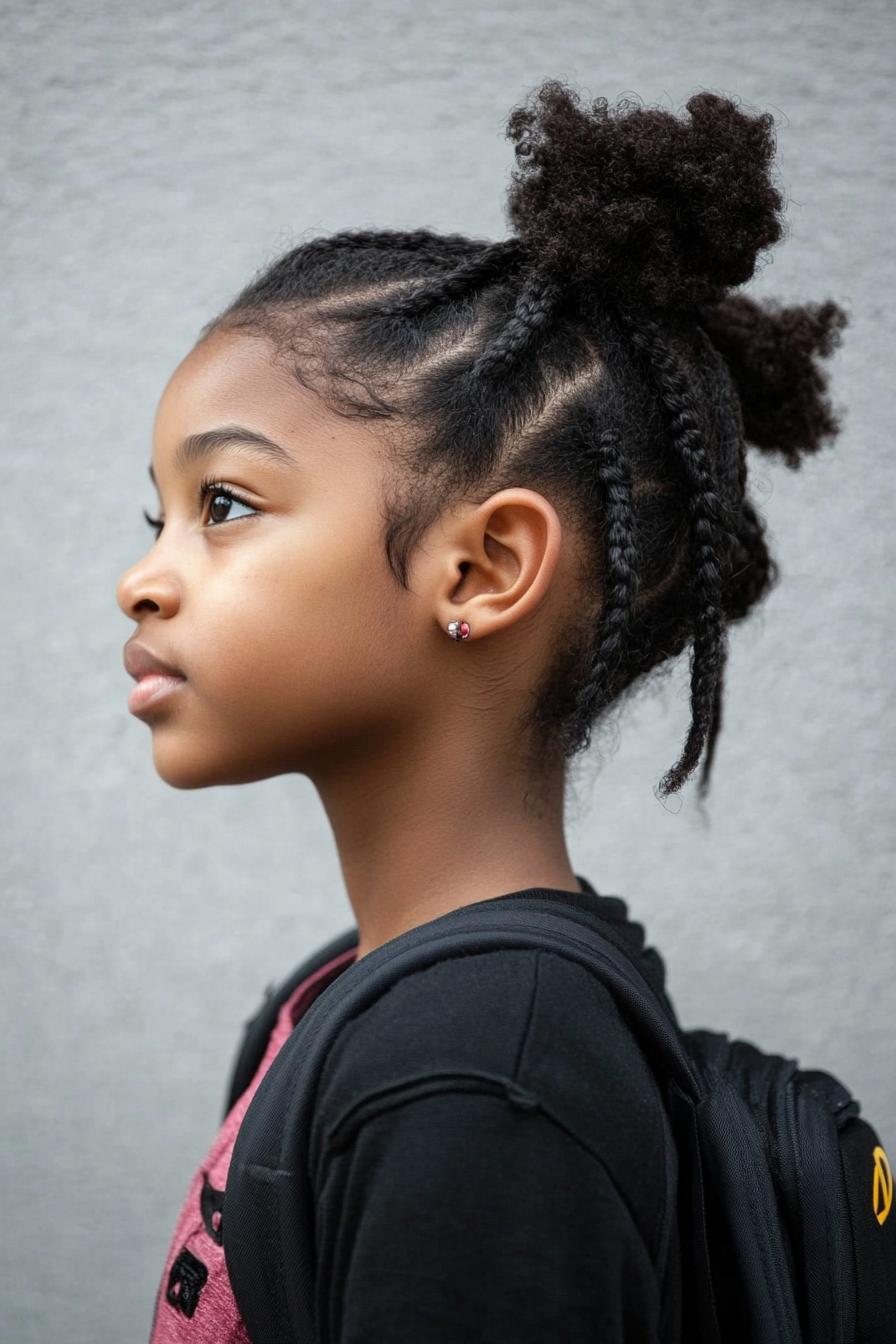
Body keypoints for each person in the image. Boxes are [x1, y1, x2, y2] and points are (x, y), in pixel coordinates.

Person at [115, 78, 848, 1342]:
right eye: (156, 515)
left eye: (224, 505)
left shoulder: (475, 1080)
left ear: (483, 569)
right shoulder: (356, 1004)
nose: (142, 577)